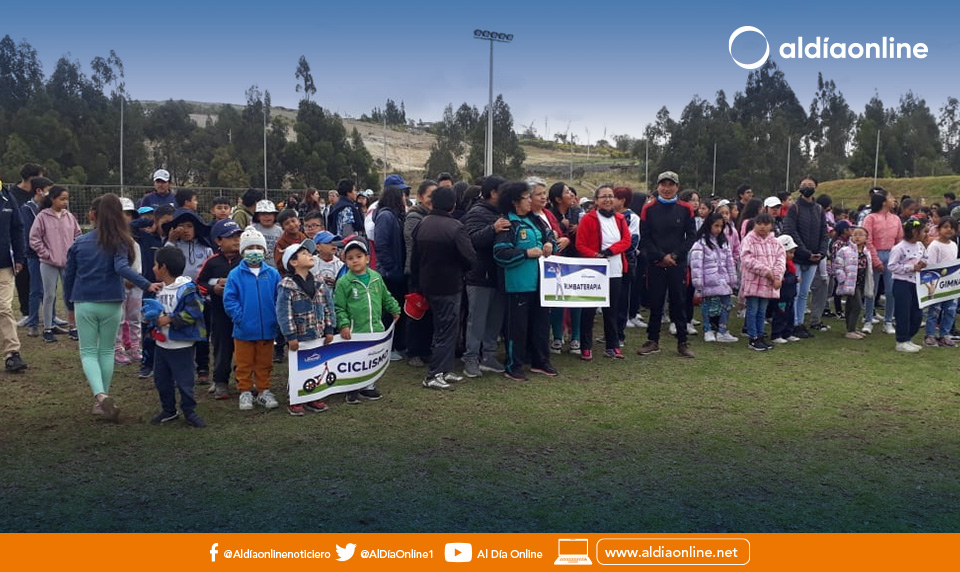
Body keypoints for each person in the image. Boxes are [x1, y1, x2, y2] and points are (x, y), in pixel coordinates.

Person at [64, 194, 162, 420]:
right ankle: (102, 398)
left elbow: (69, 277)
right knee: (107, 351)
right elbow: (122, 268)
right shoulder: (121, 242)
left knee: (88, 352)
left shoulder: (79, 243)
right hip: (112, 301)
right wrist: (146, 284)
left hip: (85, 302)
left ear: (92, 215)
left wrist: (69, 304)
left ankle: (100, 396)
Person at [411, 186, 477, 389]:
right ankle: (434, 374)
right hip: (449, 285)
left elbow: (414, 258)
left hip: (427, 283)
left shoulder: (422, 224)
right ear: (453, 205)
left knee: (442, 328)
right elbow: (470, 258)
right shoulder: (455, 227)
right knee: (446, 330)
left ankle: (445, 370)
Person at [494, 182, 558, 380]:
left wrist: (550, 244)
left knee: (541, 325)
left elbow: (551, 238)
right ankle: (513, 365)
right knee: (517, 329)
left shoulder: (536, 220)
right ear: (515, 202)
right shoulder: (507, 223)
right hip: (518, 285)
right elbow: (500, 254)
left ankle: (540, 361)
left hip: (542, 284)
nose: (531, 200)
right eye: (527, 197)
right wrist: (525, 253)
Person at [637, 171, 697, 359]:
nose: (667, 188)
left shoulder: (686, 208)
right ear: (658, 186)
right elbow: (645, 238)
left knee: (679, 303)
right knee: (655, 303)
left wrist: (675, 256)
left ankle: (682, 342)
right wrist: (661, 256)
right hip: (656, 263)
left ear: (677, 187)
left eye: (671, 184)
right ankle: (652, 340)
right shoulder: (648, 208)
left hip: (677, 264)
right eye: (663, 184)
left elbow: (691, 237)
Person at [334, 238, 400, 403]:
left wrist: (394, 309)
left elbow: (386, 296)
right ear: (345, 261)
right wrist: (344, 325)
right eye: (350, 258)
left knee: (371, 357)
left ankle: (368, 385)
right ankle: (351, 388)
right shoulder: (344, 283)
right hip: (355, 330)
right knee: (354, 359)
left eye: (359, 256)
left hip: (375, 328)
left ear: (367, 258)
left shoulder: (376, 277)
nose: (355, 260)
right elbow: (339, 307)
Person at [224, 229, 283, 410]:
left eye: (258, 247)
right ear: (242, 251)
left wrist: (275, 317)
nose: (254, 251)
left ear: (264, 250)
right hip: (244, 330)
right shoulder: (235, 274)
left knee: (265, 363)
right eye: (250, 248)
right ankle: (245, 391)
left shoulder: (272, 274)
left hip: (267, 329)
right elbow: (229, 299)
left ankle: (263, 390)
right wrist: (239, 317)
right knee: (244, 363)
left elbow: (279, 298)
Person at [150, 246, 207, 427]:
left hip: (181, 346)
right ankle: (169, 410)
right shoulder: (159, 289)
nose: (153, 268)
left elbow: (195, 311)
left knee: (185, 382)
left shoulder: (187, 289)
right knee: (161, 380)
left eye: (155, 265)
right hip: (162, 345)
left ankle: (190, 412)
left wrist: (170, 319)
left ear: (164, 267)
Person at [277, 239, 335, 415]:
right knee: (297, 368)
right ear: (293, 262)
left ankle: (313, 395)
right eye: (304, 253)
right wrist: (290, 336)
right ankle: (295, 398)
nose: (310, 255)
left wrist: (329, 328)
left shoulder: (319, 281)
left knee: (316, 364)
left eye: (309, 253)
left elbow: (328, 305)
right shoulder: (287, 285)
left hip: (318, 334)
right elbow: (284, 312)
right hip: (299, 336)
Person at [461, 176, 510, 377]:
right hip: (480, 276)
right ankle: (471, 358)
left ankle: (489, 356)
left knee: (495, 319)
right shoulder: (476, 212)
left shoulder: (503, 212)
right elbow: (471, 240)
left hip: (499, 274)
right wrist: (493, 229)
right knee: (477, 320)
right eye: (503, 191)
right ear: (493, 193)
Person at [576, 185, 632, 359]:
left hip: (615, 269)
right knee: (589, 310)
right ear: (596, 200)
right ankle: (586, 346)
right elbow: (580, 244)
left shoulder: (620, 218)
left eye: (610, 196)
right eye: (604, 196)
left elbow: (626, 240)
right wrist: (595, 255)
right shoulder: (588, 219)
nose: (608, 199)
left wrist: (610, 251)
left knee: (612, 309)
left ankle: (612, 345)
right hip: (594, 270)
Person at [197, 219, 244, 399]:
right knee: (222, 348)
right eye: (230, 237)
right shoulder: (212, 262)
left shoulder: (245, 260)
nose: (236, 240)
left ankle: (243, 381)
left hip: (242, 313)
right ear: (218, 241)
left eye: (238, 236)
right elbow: (199, 283)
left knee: (243, 348)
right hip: (219, 313)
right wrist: (213, 288)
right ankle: (220, 382)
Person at [29, 186, 81, 344]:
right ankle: (48, 328)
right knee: (49, 294)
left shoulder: (69, 217)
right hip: (48, 263)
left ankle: (73, 326)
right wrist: (46, 254)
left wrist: (74, 254)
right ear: (52, 199)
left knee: (69, 295)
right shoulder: (42, 217)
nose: (65, 202)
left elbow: (78, 236)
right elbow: (34, 238)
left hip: (68, 263)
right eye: (62, 199)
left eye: (66, 199)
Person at [783, 176, 828, 339]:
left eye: (810, 185)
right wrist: (806, 253)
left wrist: (821, 252)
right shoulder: (794, 208)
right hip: (797, 257)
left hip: (814, 258)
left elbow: (824, 232)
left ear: (816, 187)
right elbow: (791, 231)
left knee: (804, 293)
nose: (807, 187)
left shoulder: (819, 209)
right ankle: (792, 323)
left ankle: (800, 322)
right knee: (794, 292)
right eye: (804, 185)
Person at [739, 213, 785, 351]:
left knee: (762, 310)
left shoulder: (775, 242)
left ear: (771, 225)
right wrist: (766, 271)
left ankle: (760, 335)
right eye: (759, 224)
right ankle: (752, 337)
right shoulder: (749, 240)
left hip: (768, 283)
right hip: (753, 281)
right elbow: (747, 259)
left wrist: (776, 276)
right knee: (752, 309)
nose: (762, 227)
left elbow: (780, 260)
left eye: (766, 224)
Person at [690, 212, 738, 343]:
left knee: (726, 304)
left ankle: (722, 330)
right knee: (707, 305)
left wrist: (732, 278)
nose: (718, 229)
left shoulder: (724, 242)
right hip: (708, 280)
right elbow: (696, 265)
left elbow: (729, 262)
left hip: (723, 280)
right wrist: (698, 282)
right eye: (716, 226)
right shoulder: (700, 243)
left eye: (721, 226)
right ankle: (708, 329)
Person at [403, 180, 437, 367]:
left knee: (428, 314)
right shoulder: (414, 216)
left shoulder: (431, 215)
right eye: (430, 196)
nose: (432, 200)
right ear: (421, 197)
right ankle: (414, 352)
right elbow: (414, 242)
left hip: (430, 272)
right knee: (416, 313)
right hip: (416, 271)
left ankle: (425, 350)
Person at [373, 185, 408, 360]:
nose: (405, 198)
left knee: (397, 309)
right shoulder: (386, 216)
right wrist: (392, 267)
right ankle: (388, 347)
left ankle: (398, 345)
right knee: (389, 312)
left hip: (396, 272)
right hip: (390, 274)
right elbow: (381, 245)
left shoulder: (395, 216)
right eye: (402, 195)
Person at [862, 188, 903, 335]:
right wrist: (875, 260)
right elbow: (868, 240)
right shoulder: (870, 218)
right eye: (891, 198)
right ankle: (868, 319)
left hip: (892, 255)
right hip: (875, 254)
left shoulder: (896, 219)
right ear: (884, 201)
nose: (894, 200)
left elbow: (899, 240)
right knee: (871, 290)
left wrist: (897, 258)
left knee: (891, 291)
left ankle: (888, 321)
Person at [19, 176, 54, 338]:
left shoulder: (50, 209)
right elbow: (28, 234)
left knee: (50, 289)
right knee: (36, 289)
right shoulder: (27, 209)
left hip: (51, 255)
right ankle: (33, 323)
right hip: (34, 255)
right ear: (39, 191)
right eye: (48, 191)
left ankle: (51, 320)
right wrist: (40, 250)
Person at [0, 179, 28, 373]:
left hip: (4, 264)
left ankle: (12, 354)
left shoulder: (7, 197)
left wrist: (19, 257)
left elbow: (17, 228)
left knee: (4, 307)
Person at [889, 217, 927, 352]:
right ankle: (901, 340)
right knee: (903, 312)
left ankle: (909, 337)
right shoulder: (899, 248)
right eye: (923, 231)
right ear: (915, 232)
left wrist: (923, 263)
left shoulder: (920, 246)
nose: (925, 234)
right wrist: (911, 267)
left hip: (916, 283)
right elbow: (892, 266)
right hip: (902, 283)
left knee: (917, 312)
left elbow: (925, 257)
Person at [114, 197, 144, 365]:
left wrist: (133, 278)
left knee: (134, 317)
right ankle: (118, 348)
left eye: (129, 214)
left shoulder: (134, 242)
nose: (126, 218)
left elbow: (137, 266)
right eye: (122, 213)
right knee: (118, 318)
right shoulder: (111, 241)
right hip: (118, 285)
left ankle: (135, 346)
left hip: (134, 285)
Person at [13, 164, 44, 323]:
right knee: (23, 279)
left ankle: (48, 313)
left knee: (42, 280)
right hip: (19, 244)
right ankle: (27, 313)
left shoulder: (39, 195)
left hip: (39, 246)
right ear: (32, 179)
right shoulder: (12, 195)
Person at [922, 217, 958, 347]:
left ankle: (944, 335)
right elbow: (931, 265)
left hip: (951, 283)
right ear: (939, 229)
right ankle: (930, 335)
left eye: (952, 228)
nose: (949, 230)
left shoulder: (953, 245)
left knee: (950, 310)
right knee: (935, 310)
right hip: (937, 283)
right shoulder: (935, 245)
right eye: (946, 227)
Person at [835, 226, 874, 340]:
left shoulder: (866, 253)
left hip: (861, 282)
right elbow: (838, 265)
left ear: (866, 238)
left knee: (850, 305)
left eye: (860, 235)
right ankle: (850, 330)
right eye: (855, 234)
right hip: (850, 282)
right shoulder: (844, 251)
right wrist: (842, 278)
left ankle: (851, 327)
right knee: (857, 305)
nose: (857, 237)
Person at [770, 234, 800, 344]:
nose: (792, 255)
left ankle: (787, 333)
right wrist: (794, 279)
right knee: (780, 315)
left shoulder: (790, 265)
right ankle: (776, 334)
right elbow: (782, 280)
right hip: (782, 296)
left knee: (789, 315)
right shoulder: (779, 266)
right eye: (789, 252)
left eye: (793, 253)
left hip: (790, 295)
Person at [272, 210, 307, 274]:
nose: (291, 225)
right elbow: (279, 264)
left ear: (299, 222)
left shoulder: (304, 238)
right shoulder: (281, 243)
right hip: (289, 274)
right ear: (282, 228)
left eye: (293, 221)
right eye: (287, 223)